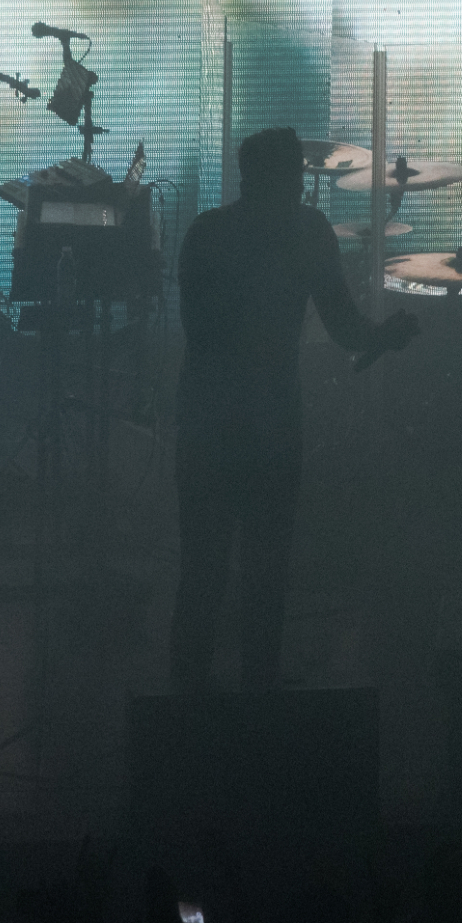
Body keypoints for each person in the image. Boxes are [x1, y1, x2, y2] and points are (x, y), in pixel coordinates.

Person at [170, 127, 417, 691]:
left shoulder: (206, 233)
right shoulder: (308, 232)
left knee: (202, 566)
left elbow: (199, 332)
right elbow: (346, 328)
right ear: (291, 179)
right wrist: (386, 336)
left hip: (207, 419)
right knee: (267, 566)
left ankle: (186, 705)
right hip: (272, 420)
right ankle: (261, 697)